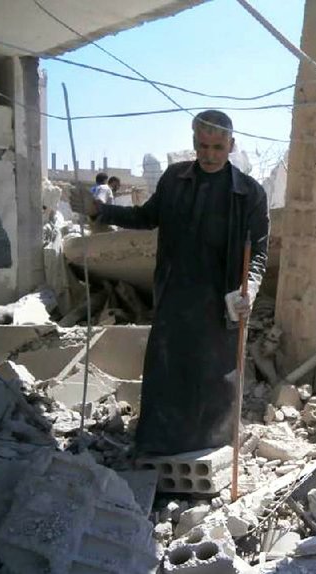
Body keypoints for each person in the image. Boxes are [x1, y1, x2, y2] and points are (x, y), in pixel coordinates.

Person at [70, 110, 269, 455]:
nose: (209, 154)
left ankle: (209, 449)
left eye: (217, 147)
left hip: (220, 302)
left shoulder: (249, 193)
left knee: (213, 379)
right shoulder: (175, 179)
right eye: (203, 145)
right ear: (194, 142)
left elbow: (260, 252)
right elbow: (146, 217)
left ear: (231, 145)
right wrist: (101, 211)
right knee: (167, 374)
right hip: (175, 295)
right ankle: (159, 447)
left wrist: (247, 289)